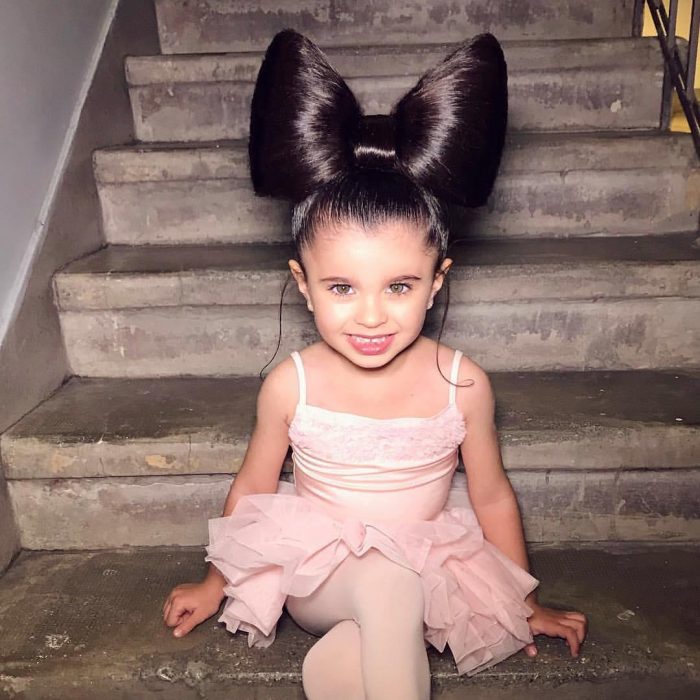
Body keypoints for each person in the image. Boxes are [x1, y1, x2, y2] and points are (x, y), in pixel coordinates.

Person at [162, 29, 587, 699]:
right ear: (304, 286)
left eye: (398, 286)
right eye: (341, 287)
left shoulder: (463, 383)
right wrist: (217, 581)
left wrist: (523, 599)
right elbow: (253, 487)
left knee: (365, 640)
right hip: (320, 572)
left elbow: (490, 495)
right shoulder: (291, 384)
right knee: (389, 583)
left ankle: (337, 666)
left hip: (431, 566)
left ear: (435, 282)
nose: (370, 316)